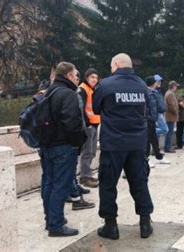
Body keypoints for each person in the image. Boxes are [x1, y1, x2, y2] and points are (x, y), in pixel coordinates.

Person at [93, 53, 154, 240]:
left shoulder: (105, 85)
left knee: (108, 184)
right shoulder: (142, 86)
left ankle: (110, 226)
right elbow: (149, 111)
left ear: (116, 64)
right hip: (137, 144)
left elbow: (96, 109)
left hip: (113, 144)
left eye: (112, 65)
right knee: (139, 182)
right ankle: (145, 223)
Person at [39, 62, 87, 237]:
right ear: (67, 75)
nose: (77, 78)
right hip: (63, 146)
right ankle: (56, 225)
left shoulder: (49, 91)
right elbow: (72, 124)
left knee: (49, 183)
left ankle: (50, 219)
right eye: (76, 75)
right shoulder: (68, 94)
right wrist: (77, 143)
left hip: (47, 145)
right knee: (61, 185)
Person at [77, 68, 100, 188]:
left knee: (92, 152)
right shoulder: (82, 89)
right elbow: (81, 109)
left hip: (95, 123)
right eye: (92, 77)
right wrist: (87, 124)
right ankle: (85, 177)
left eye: (96, 78)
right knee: (87, 152)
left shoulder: (92, 89)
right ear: (86, 78)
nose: (95, 80)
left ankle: (87, 174)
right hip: (88, 125)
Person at [146, 76, 170, 166]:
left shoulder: (153, 92)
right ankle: (147, 159)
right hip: (149, 119)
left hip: (152, 119)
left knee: (153, 139)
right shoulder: (150, 93)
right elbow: (157, 107)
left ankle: (159, 156)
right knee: (148, 140)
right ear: (153, 83)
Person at [164, 81, 179, 153]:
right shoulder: (170, 94)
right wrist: (176, 112)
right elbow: (171, 106)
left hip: (169, 116)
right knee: (169, 133)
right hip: (170, 117)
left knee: (169, 132)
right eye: (176, 86)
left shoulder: (169, 93)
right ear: (173, 86)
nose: (176, 88)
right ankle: (168, 147)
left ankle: (168, 146)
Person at [153, 74, 169, 139]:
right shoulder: (153, 91)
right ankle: (149, 132)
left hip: (160, 113)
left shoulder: (159, 91)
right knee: (165, 129)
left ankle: (156, 148)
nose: (159, 83)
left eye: (160, 81)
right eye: (158, 81)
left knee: (157, 136)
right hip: (157, 113)